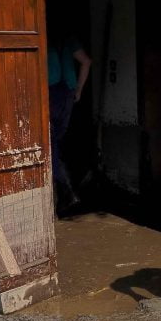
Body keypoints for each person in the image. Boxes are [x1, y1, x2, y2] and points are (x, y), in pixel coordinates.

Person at [47, 28, 92, 214]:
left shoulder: (43, 36)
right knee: (56, 143)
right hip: (68, 93)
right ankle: (65, 190)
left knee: (51, 145)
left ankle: (66, 190)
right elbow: (86, 62)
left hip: (52, 94)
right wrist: (79, 90)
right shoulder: (69, 38)